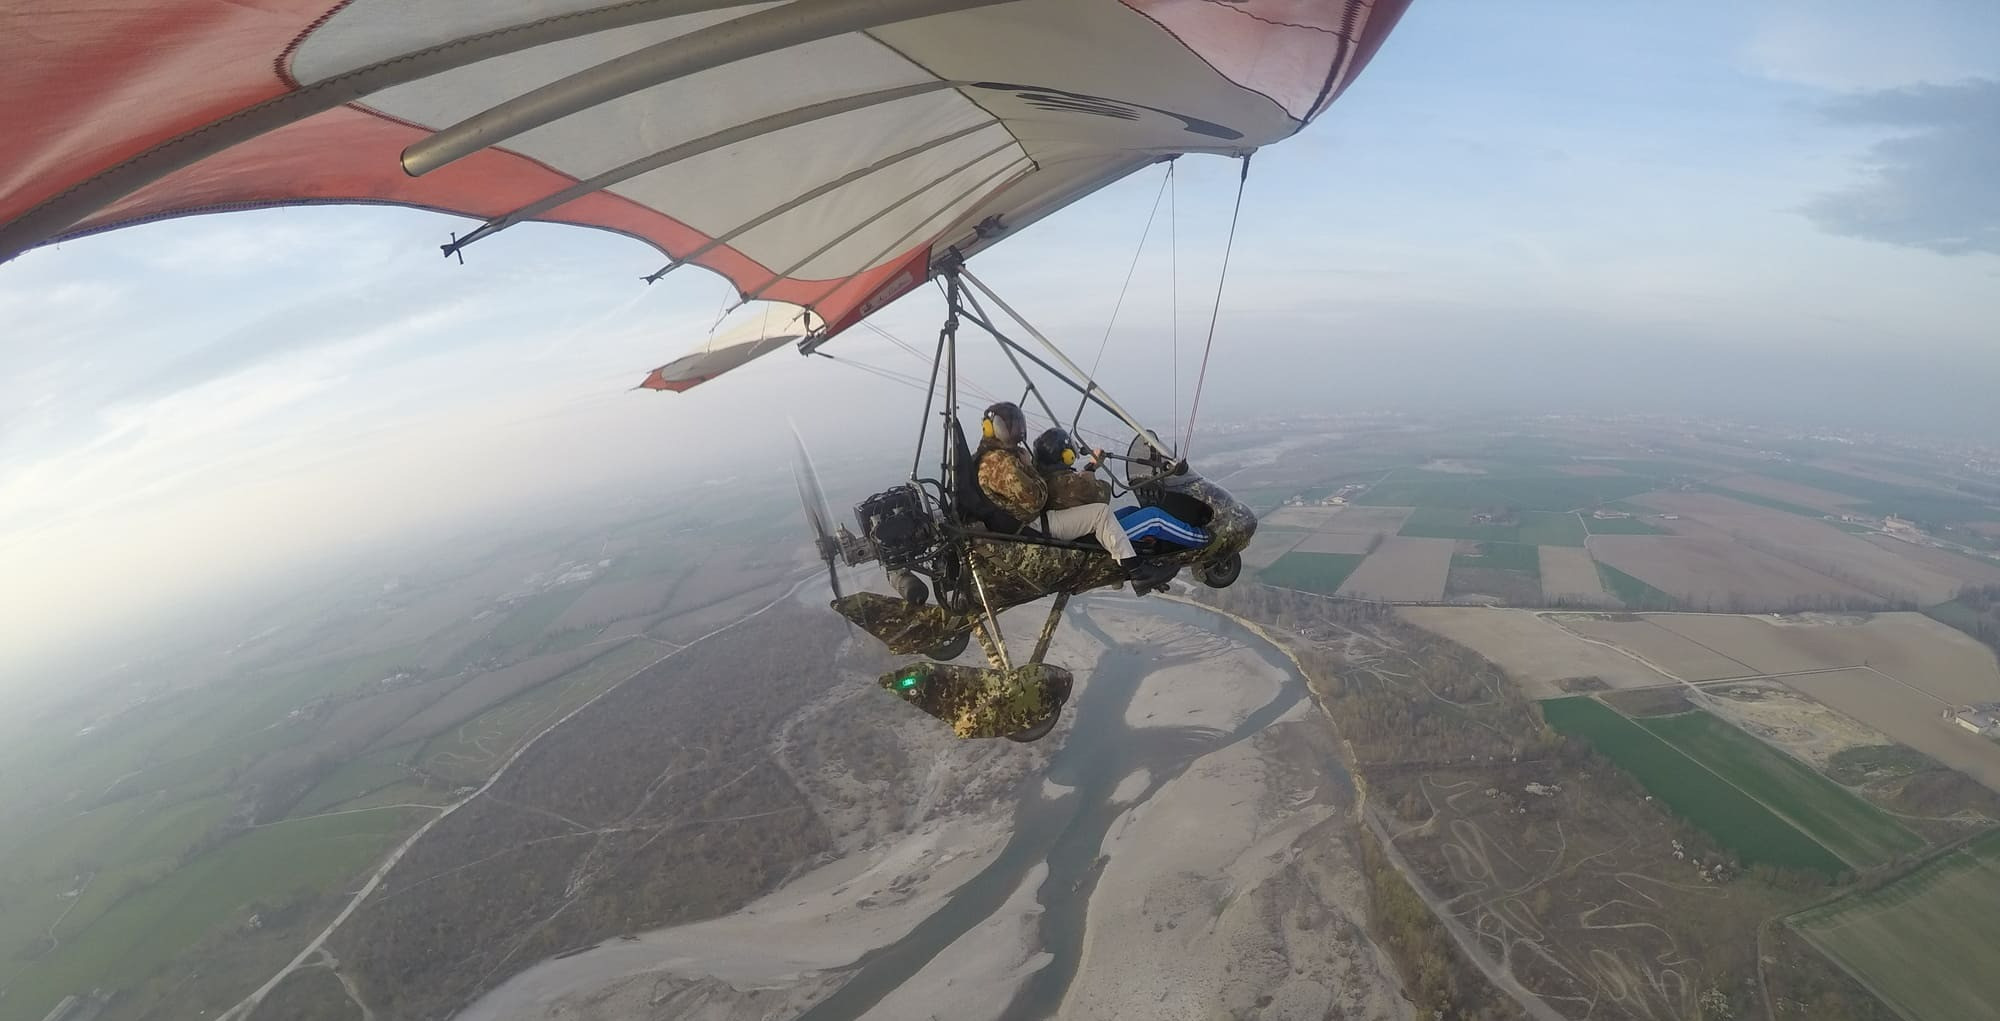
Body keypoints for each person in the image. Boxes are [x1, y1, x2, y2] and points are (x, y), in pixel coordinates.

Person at [975, 403, 1170, 590]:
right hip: (1034, 525)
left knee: (1099, 519)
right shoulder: (1000, 463)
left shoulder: (990, 458)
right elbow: (1036, 500)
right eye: (1013, 428)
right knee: (1100, 514)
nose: (1018, 434)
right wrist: (1028, 467)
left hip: (1024, 523)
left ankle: (1122, 567)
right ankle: (1137, 571)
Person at [1033, 427, 1210, 552]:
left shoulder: (1049, 480)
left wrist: (1091, 468)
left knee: (1133, 511)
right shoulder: (1072, 483)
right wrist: (1091, 471)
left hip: (1086, 534)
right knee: (1154, 518)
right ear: (1066, 456)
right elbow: (1102, 495)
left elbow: (1072, 487)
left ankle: (1162, 545)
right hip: (1099, 540)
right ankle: (1204, 540)